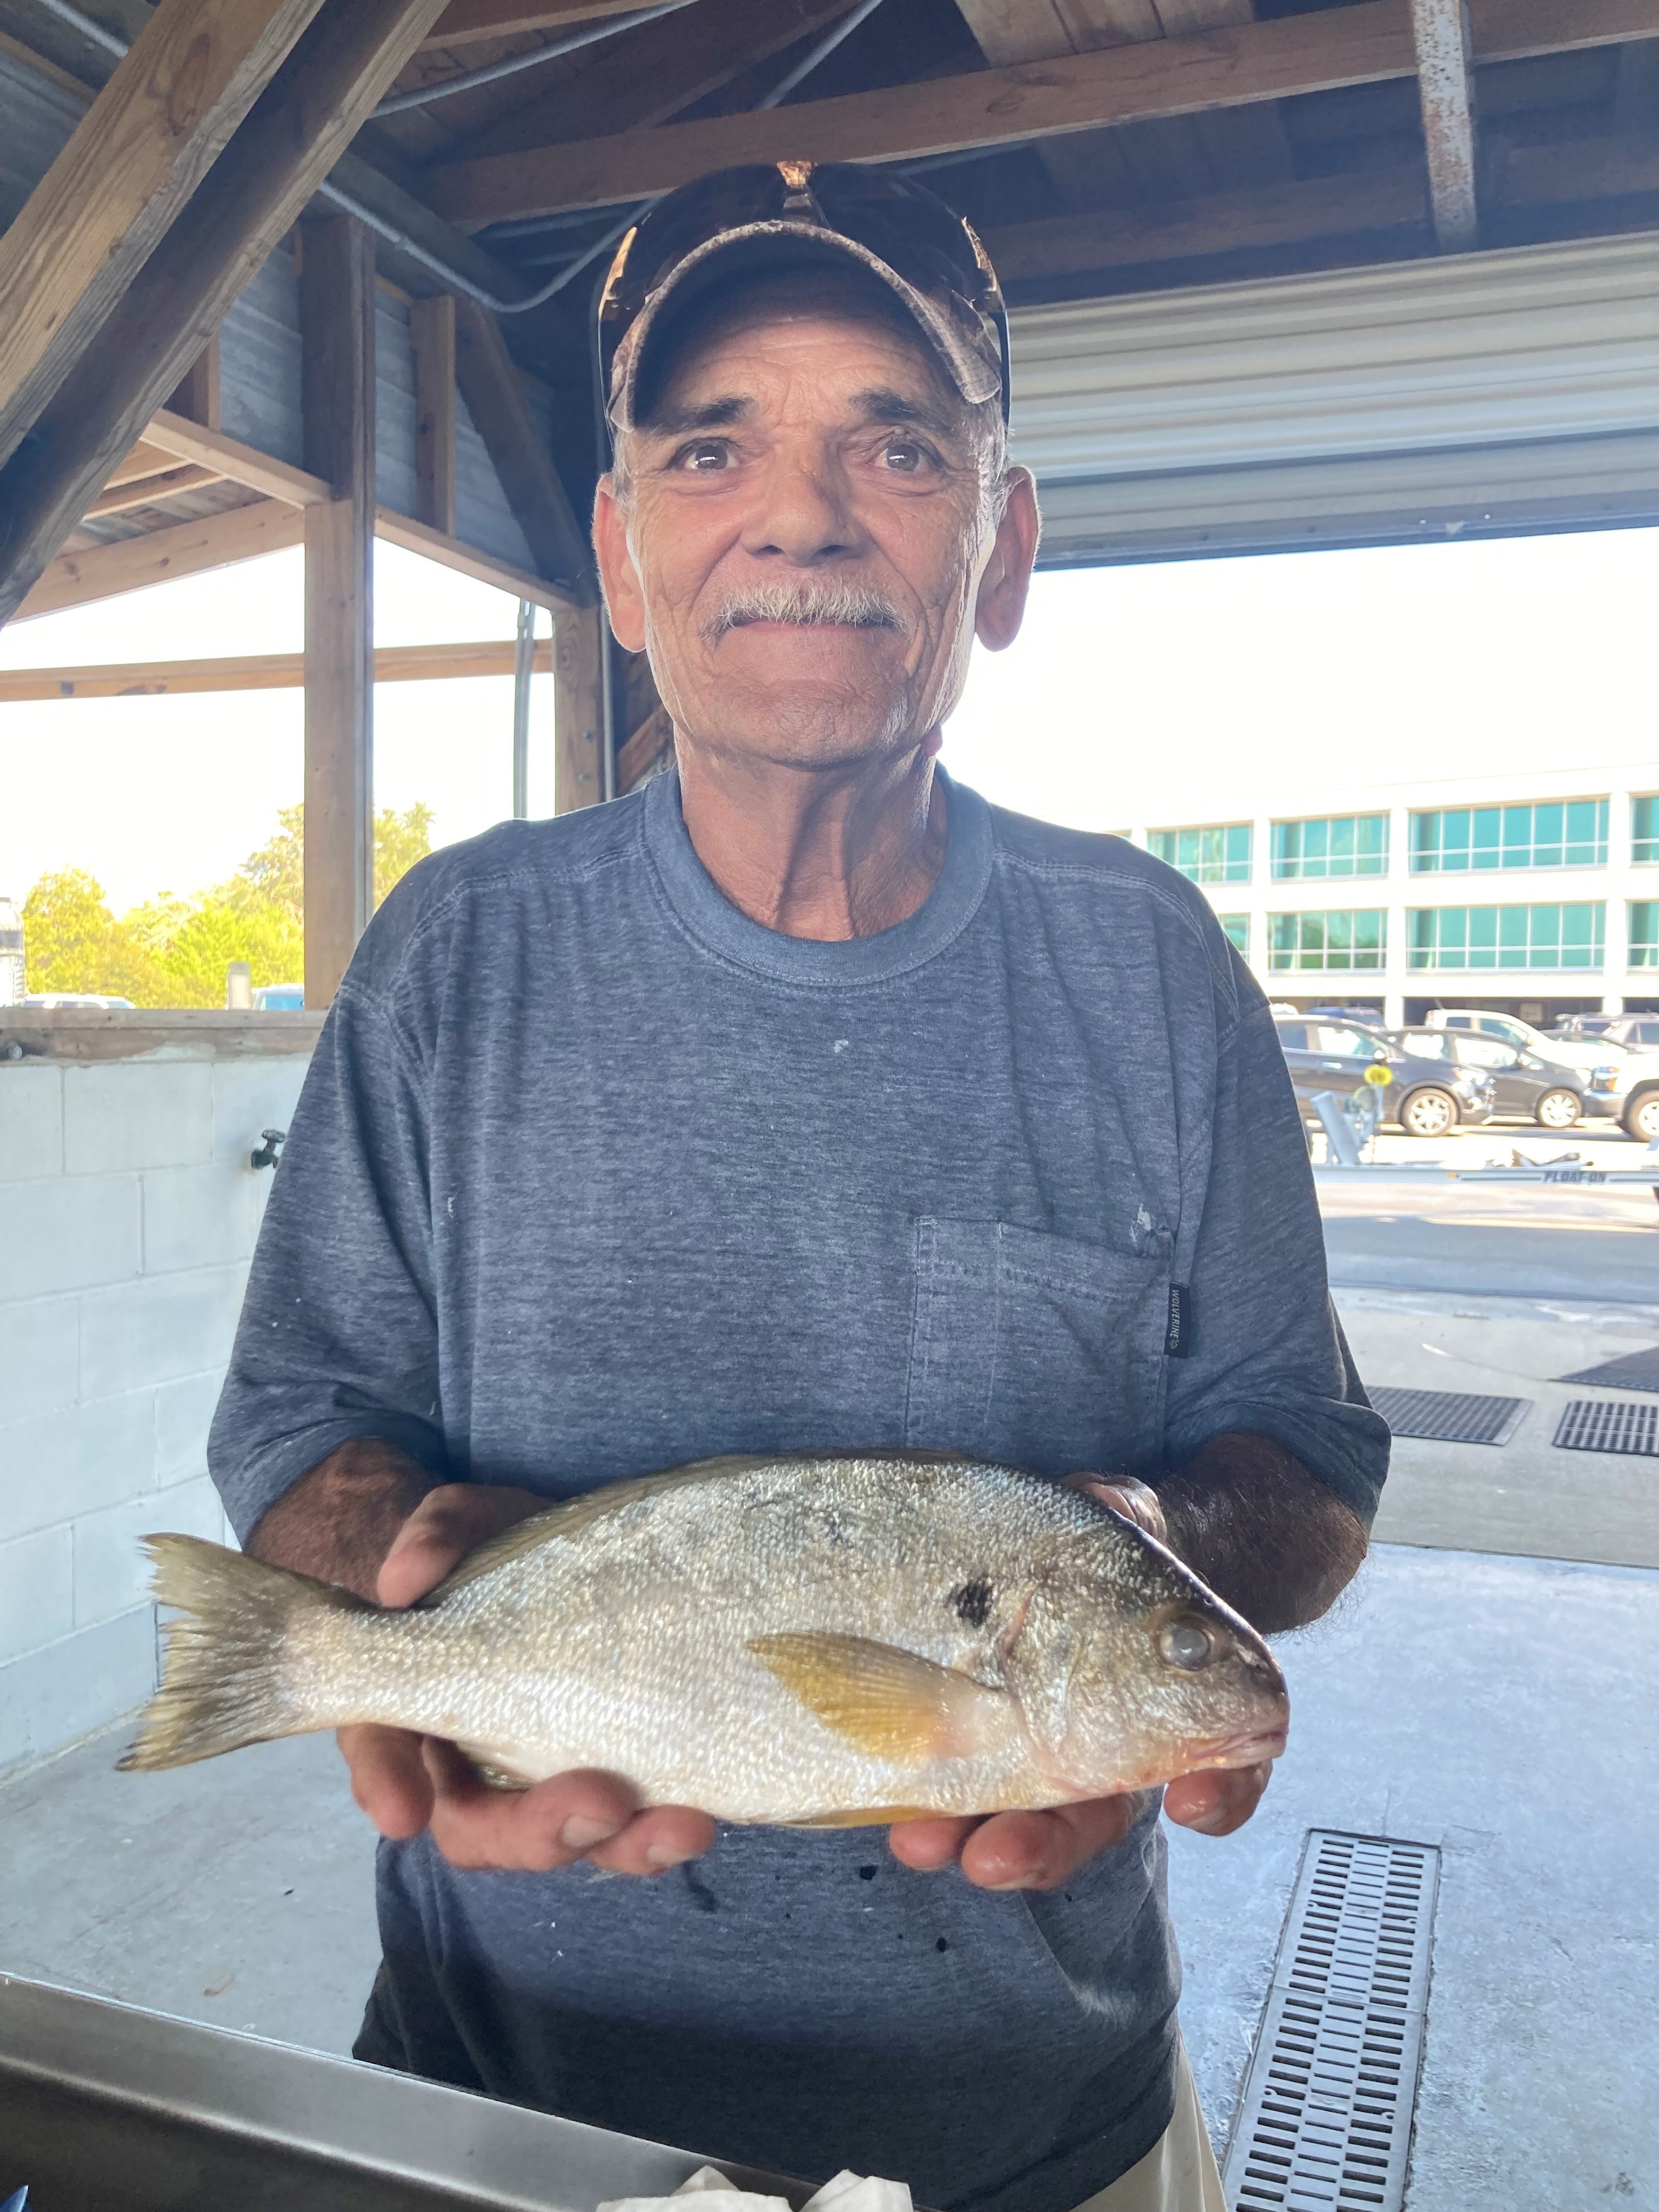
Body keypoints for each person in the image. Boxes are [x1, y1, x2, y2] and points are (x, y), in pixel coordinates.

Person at [210, 161, 1387, 2212]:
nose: (800, 513)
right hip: (499, 2115)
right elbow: (303, 1421)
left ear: (1002, 544)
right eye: (709, 445)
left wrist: (1138, 1578)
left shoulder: (1151, 964)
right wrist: (394, 1579)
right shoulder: (453, 951)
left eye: (898, 445)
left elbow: (1304, 1450)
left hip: (1043, 2133)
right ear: (623, 545)